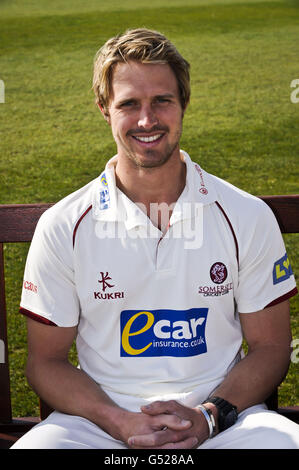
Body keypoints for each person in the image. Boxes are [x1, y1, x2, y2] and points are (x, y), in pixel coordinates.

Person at [11, 28, 299, 449]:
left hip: (224, 423)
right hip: (99, 426)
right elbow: (45, 361)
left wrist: (208, 417)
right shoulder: (64, 224)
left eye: (162, 100)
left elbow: (272, 346)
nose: (147, 120)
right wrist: (120, 421)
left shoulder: (245, 215)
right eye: (129, 104)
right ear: (104, 109)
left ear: (183, 102)